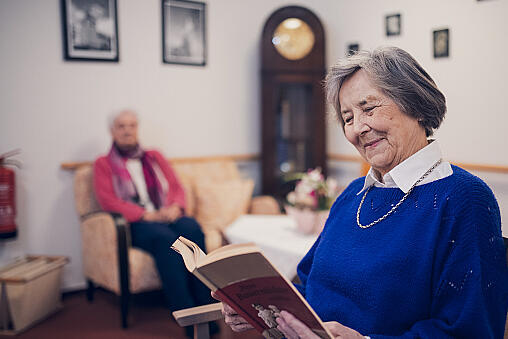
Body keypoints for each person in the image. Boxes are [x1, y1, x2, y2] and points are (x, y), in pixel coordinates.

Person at [214, 47, 508, 338]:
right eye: (347, 118)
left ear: (415, 104)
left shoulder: (464, 198)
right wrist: (258, 307)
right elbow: (309, 285)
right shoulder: (354, 194)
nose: (357, 129)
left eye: (368, 109)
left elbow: (470, 330)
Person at [93, 110, 216, 337]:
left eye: (132, 125)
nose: (127, 130)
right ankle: (188, 315)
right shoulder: (103, 164)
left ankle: (207, 306)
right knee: (166, 241)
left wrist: (175, 208)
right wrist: (144, 215)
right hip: (139, 223)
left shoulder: (154, 156)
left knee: (192, 229)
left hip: (166, 214)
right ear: (112, 131)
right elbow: (108, 200)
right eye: (121, 126)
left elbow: (177, 187)